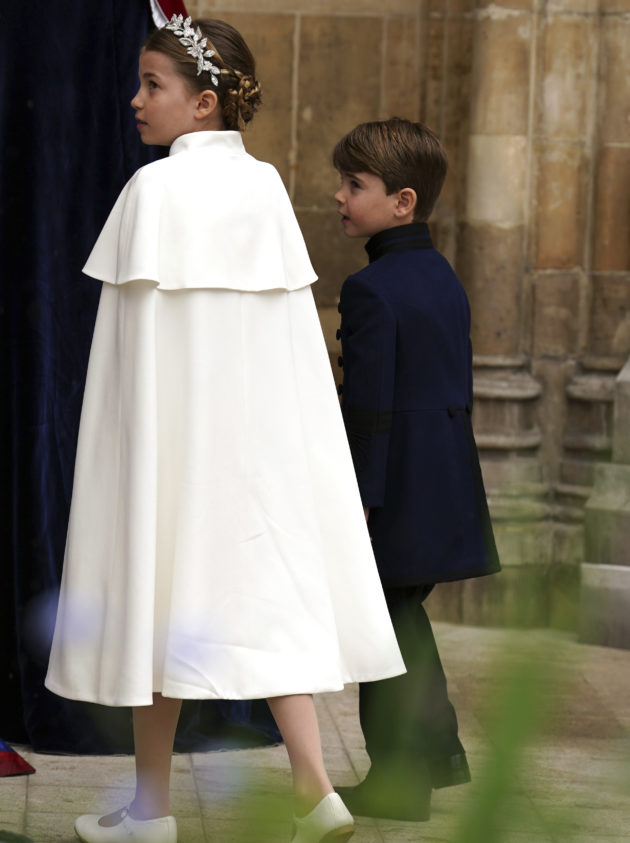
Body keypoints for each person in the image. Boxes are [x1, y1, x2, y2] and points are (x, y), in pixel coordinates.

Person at [45, 17, 405, 843]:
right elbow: (292, 352)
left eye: (153, 85)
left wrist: (125, 458)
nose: (136, 101)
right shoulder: (265, 188)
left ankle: (150, 810)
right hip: (255, 456)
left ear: (204, 102)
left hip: (172, 448)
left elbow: (127, 358)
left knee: (156, 597)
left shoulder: (154, 191)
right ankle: (316, 791)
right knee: (266, 605)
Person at [331, 118, 500, 822]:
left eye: (355, 185)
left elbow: (370, 409)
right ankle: (425, 764)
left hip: (392, 492)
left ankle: (404, 777)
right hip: (441, 484)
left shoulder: (370, 288)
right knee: (399, 622)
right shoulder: (443, 277)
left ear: (403, 201)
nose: (339, 196)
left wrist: (360, 497)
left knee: (384, 629)